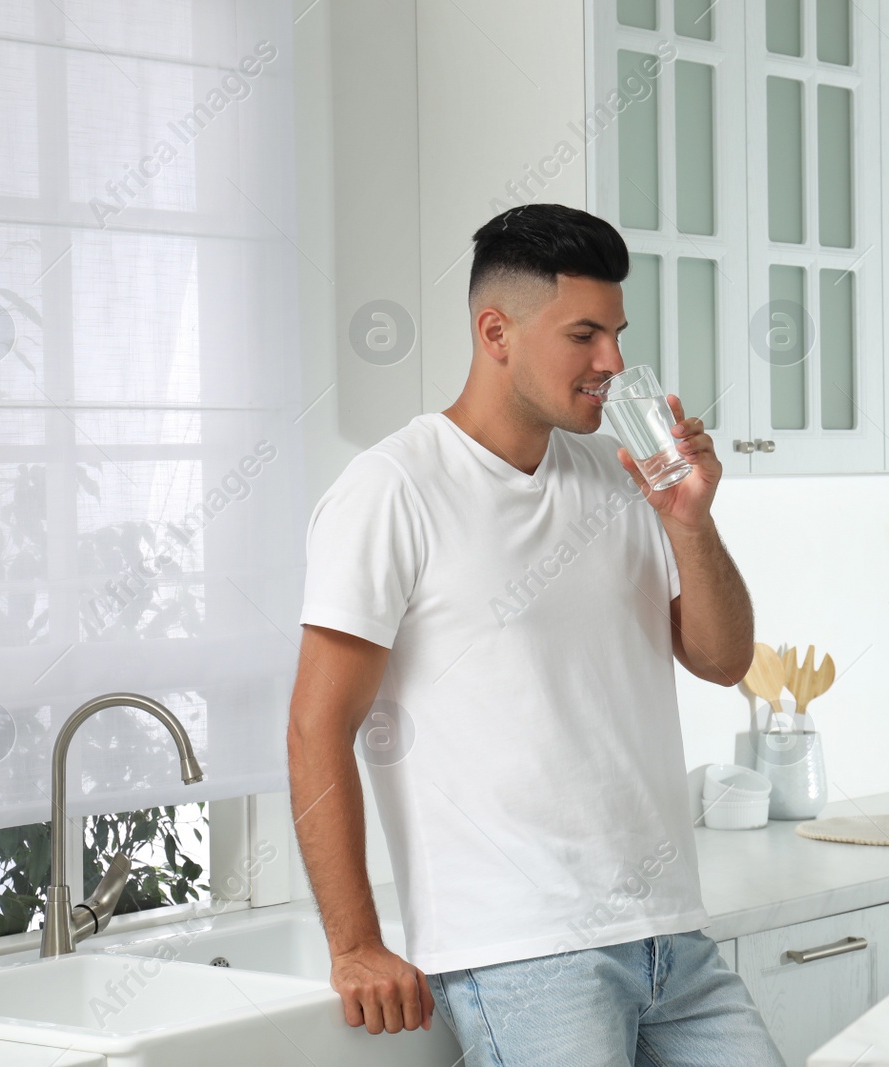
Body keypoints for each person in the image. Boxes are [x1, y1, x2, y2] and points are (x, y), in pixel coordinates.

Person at [287, 202, 783, 1065]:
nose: (612, 363)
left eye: (618, 333)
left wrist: (691, 522)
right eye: (584, 334)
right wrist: (355, 942)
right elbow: (315, 724)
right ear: (496, 331)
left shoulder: (622, 473)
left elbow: (721, 657)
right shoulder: (393, 489)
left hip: (672, 937)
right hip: (523, 954)